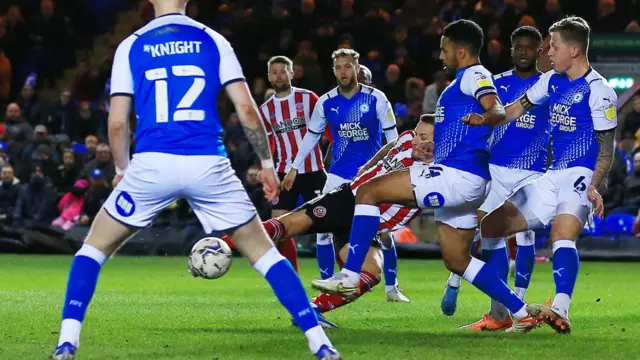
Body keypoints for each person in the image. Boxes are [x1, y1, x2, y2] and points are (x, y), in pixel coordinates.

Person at [50, 2, 341, 359]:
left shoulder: (131, 45)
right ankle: (320, 343)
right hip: (208, 162)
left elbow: (117, 122)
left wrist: (122, 172)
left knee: (93, 250)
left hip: (152, 163)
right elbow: (247, 109)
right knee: (265, 254)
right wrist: (267, 163)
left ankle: (67, 342)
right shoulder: (213, 40)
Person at [310, 19, 551, 332]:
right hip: (468, 179)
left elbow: (497, 109)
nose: (440, 55)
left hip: (457, 176)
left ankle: (351, 274)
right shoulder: (462, 81)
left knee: (368, 191)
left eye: (444, 49)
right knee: (458, 259)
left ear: (461, 51)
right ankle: (520, 314)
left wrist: (484, 118)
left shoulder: (474, 74)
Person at [470, 16, 617, 334]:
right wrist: (482, 120)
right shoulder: (551, 80)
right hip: (552, 175)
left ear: (574, 50)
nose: (548, 52)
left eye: (555, 46)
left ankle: (561, 309)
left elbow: (607, 149)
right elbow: (513, 110)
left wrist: (593, 185)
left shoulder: (599, 91)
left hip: (580, 174)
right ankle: (502, 313)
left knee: (561, 236)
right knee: (491, 226)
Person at [221, 115, 433, 327]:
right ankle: (220, 244)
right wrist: (368, 165)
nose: (414, 139)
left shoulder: (440, 172)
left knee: (371, 272)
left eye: (422, 136)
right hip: (347, 199)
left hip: (369, 224)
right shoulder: (406, 139)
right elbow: (392, 145)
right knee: (287, 225)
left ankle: (312, 310)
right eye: (416, 132)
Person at [442, 26, 551, 332]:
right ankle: (498, 313)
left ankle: (519, 300)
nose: (523, 53)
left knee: (526, 237)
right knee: (489, 235)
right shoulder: (496, 82)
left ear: (539, 51)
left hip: (532, 171)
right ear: (511, 49)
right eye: (518, 47)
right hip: (496, 169)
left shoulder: (548, 87)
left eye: (530, 48)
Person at [282, 49, 398, 283]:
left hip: (370, 175)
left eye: (347, 66)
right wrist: (294, 167)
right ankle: (328, 279)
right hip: (337, 175)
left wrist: (395, 167)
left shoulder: (376, 98)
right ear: (333, 70)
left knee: (383, 232)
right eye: (338, 67)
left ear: (356, 68)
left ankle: (391, 285)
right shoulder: (326, 102)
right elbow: (312, 136)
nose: (343, 72)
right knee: (323, 232)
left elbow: (393, 136)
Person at [259, 55, 327, 273]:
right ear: (269, 76)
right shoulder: (266, 109)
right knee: (278, 226)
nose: (279, 75)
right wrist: (265, 168)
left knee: (329, 225)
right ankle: (292, 276)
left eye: (283, 71)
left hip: (314, 171)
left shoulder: (309, 99)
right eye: (274, 72)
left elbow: (328, 130)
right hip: (283, 172)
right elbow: (268, 143)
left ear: (292, 73)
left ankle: (342, 274)